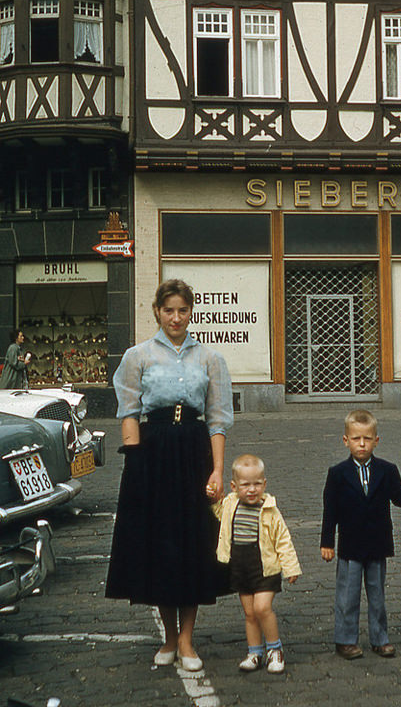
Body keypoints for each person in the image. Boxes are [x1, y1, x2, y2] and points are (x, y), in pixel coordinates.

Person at [105, 279, 233, 672]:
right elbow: (129, 410)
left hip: (194, 450)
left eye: (182, 310)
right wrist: (135, 462)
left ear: (191, 312)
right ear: (157, 312)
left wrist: (216, 470)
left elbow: (217, 419)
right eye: (168, 310)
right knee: (160, 543)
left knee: (194, 543)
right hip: (153, 454)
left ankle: (188, 640)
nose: (176, 318)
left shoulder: (210, 359)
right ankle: (167, 638)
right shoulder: (137, 356)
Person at [321, 409, 401, 660]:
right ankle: (345, 639)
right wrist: (327, 541)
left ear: (376, 440)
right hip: (349, 546)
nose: (362, 444)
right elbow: (331, 510)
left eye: (367, 439)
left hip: (378, 544)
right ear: (346, 440)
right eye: (356, 438)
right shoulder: (337, 474)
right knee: (347, 596)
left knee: (377, 595)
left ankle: (380, 638)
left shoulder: (387, 470)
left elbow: (400, 497)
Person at [215, 453, 301, 674]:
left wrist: (290, 567)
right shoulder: (230, 504)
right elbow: (217, 513)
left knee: (262, 608)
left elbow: (283, 539)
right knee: (250, 613)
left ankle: (275, 649)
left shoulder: (270, 510)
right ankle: (255, 652)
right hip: (240, 567)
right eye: (245, 485)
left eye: (256, 484)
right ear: (234, 486)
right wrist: (212, 497)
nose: (251, 489)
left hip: (265, 568)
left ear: (264, 484)